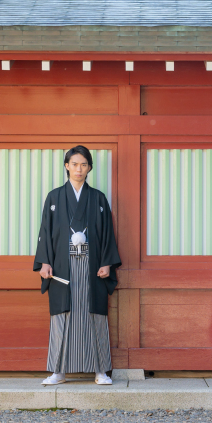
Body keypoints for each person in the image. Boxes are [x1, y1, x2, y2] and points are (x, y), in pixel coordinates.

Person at [34, 145, 121, 386]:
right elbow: (45, 232)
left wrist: (106, 263)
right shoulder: (54, 197)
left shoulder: (98, 198)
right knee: (63, 315)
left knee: (94, 315)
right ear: (66, 166)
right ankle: (58, 371)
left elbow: (107, 234)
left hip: (93, 266)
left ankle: (101, 370)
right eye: (74, 164)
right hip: (63, 266)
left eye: (83, 164)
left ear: (89, 168)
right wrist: (44, 262)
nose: (79, 169)